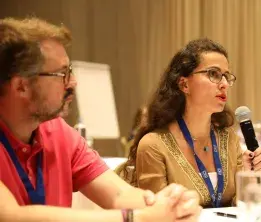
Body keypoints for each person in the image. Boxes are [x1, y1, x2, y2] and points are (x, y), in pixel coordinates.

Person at [0, 17, 201, 222]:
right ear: (21, 86)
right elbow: (11, 216)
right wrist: (138, 218)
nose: (73, 82)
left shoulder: (58, 133)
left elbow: (118, 195)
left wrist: (170, 205)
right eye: (62, 73)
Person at [119, 38, 261, 208]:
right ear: (184, 84)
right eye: (213, 74)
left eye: (226, 77)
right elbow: (157, 215)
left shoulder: (229, 140)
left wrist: (249, 181)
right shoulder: (154, 146)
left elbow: (240, 209)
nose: (224, 84)